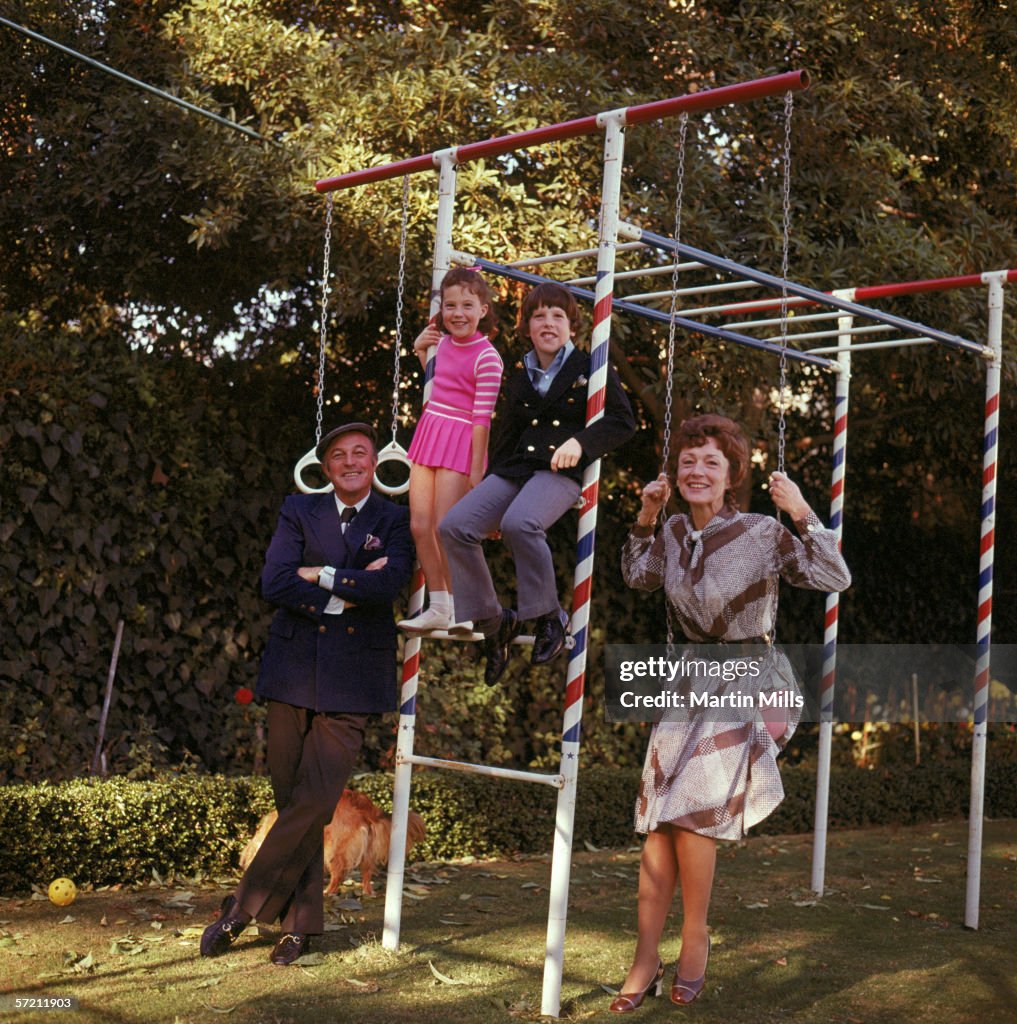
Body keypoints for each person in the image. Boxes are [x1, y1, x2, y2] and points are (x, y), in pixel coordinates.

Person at [609, 413, 850, 1012]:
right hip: (690, 683)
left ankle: (695, 939)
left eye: (710, 462)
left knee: (690, 813)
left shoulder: (761, 531)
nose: (696, 471)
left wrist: (800, 510)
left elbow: (833, 575)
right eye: (688, 461)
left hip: (753, 680)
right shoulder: (668, 533)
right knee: (659, 827)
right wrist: (644, 515)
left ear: (732, 474)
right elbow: (637, 577)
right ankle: (645, 957)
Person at [200, 422, 413, 966]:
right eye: (338, 455)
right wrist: (348, 587)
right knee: (294, 804)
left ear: (373, 463)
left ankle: (239, 911)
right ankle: (301, 926)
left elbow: (390, 586)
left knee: (315, 801)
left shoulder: (393, 517)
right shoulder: (299, 509)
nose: (350, 462)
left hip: (353, 680)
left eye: (359, 453)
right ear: (325, 467)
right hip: (292, 671)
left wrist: (319, 575)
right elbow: (274, 581)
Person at [440, 282, 636, 685]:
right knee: (455, 526)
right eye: (539, 316)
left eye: (558, 316)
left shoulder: (590, 369)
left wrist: (580, 443)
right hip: (515, 470)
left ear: (572, 326)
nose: (548, 323)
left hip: (559, 474)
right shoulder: (519, 373)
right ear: (527, 326)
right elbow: (507, 435)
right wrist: (487, 487)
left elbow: (622, 422)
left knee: (519, 523)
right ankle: (496, 625)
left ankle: (549, 616)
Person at [397, 267, 504, 633]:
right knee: (420, 525)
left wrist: (477, 471)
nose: (457, 313)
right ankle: (439, 604)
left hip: (462, 439)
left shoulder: (488, 358)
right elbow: (438, 382)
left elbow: (482, 419)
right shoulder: (440, 344)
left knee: (447, 527)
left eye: (467, 305)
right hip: (430, 432)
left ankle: (464, 608)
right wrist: (418, 349)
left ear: (483, 309)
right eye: (450, 305)